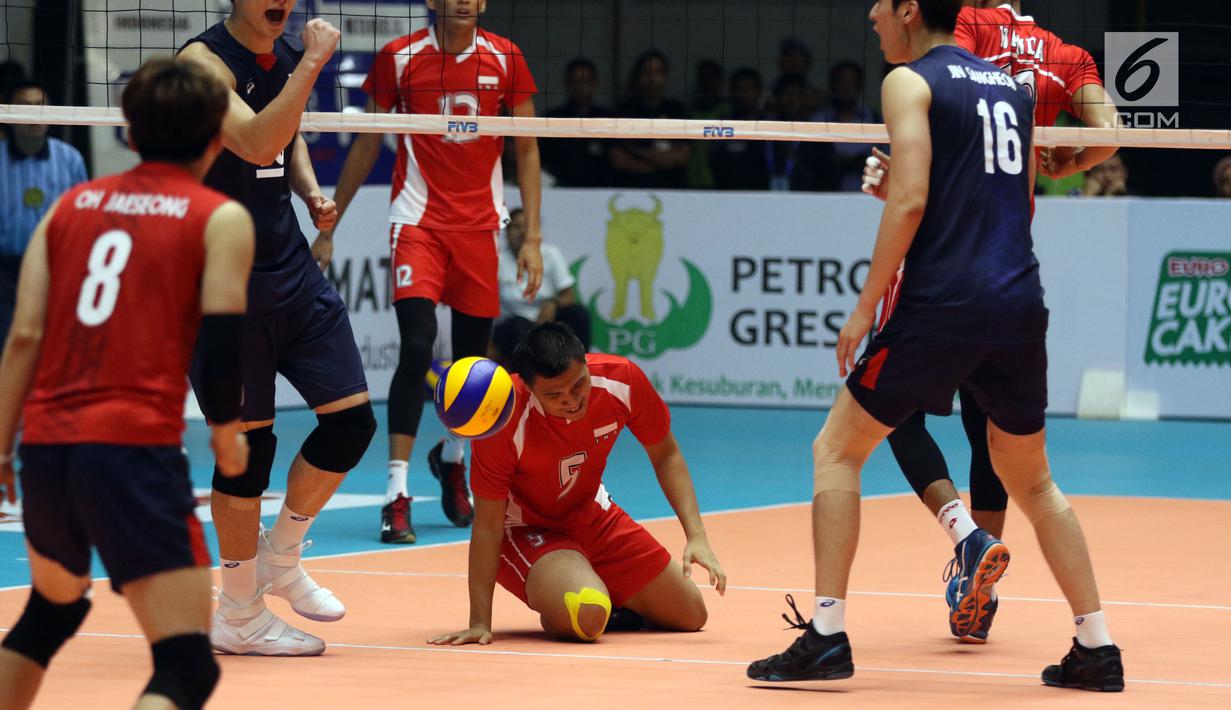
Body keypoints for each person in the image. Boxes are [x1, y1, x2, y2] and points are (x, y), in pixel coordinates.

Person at [749, 0, 1124, 692]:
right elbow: (1010, 194)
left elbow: (911, 200)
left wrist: (864, 307)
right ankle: (1096, 647)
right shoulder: (1013, 89)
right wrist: (1071, 163)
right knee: (1034, 481)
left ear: (909, 10)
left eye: (879, 6)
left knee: (836, 450)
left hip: (944, 301)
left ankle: (826, 636)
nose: (871, 17)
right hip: (1018, 301)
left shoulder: (910, 80)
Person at [860, 0, 1123, 644]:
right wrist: (1069, 163)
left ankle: (965, 539)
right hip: (1010, 263)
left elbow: (936, 91)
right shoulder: (1068, 56)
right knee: (994, 439)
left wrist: (899, 172)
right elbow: (1110, 132)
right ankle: (983, 589)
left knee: (884, 418)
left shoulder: (966, 28)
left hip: (942, 256)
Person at [0, 57, 252, 710]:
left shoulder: (69, 206)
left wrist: (2, 449)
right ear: (217, 138)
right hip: (131, 451)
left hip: (48, 450)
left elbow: (23, 337)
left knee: (50, 612)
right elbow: (223, 340)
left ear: (130, 134)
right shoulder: (219, 217)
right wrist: (227, 433)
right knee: (187, 666)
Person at [179, 0, 377, 655]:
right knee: (248, 451)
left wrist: (310, 190)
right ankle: (238, 614)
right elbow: (257, 139)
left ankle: (281, 559)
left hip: (290, 268)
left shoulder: (287, 56)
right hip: (221, 281)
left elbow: (286, 144)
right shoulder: (202, 65)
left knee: (351, 422)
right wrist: (314, 63)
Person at [322, 0, 544, 545]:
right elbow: (368, 140)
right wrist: (330, 224)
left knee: (472, 364)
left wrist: (533, 239)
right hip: (416, 222)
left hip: (479, 227)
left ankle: (452, 460)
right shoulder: (399, 57)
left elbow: (528, 146)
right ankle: (396, 493)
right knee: (417, 346)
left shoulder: (506, 57)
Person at [428, 323, 725, 645]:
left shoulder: (621, 380)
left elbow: (666, 455)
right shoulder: (504, 421)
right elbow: (487, 524)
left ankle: (593, 592)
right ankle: (568, 600)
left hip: (592, 515)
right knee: (588, 616)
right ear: (528, 387)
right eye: (554, 395)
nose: (571, 401)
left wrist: (696, 536)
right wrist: (479, 621)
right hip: (526, 531)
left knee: (691, 614)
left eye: (578, 384)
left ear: (585, 362)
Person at [0, 80, 89, 346]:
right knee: (9, 343)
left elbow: (83, 220)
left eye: (40, 106)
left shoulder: (70, 159)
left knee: (54, 344)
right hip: (5, 269)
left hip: (54, 265)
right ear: (8, 113)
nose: (35, 114)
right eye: (25, 106)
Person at [490, 208, 590, 365]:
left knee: (577, 314)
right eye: (516, 227)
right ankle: (527, 375)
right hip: (513, 322)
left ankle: (582, 366)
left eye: (527, 226)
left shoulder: (550, 254)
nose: (522, 232)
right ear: (506, 232)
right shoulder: (497, 260)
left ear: (535, 230)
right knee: (516, 327)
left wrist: (553, 303)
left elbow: (569, 296)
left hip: (548, 318)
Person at [610, 51, 692, 189]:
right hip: (631, 189)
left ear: (666, 76)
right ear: (638, 76)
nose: (652, 78)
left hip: (672, 190)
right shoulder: (625, 111)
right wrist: (657, 165)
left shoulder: (677, 110)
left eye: (657, 72)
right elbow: (618, 159)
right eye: (646, 72)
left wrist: (638, 152)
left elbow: (682, 156)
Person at [541, 58, 613, 187]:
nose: (580, 87)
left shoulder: (609, 118)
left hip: (601, 190)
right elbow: (541, 160)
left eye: (585, 81)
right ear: (567, 83)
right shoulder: (552, 119)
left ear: (595, 83)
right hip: (559, 190)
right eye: (575, 81)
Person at [812, 62, 880, 192]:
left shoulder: (875, 119)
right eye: (841, 82)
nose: (845, 88)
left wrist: (862, 161)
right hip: (824, 193)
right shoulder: (818, 120)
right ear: (832, 85)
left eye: (851, 83)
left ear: (860, 87)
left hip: (868, 193)